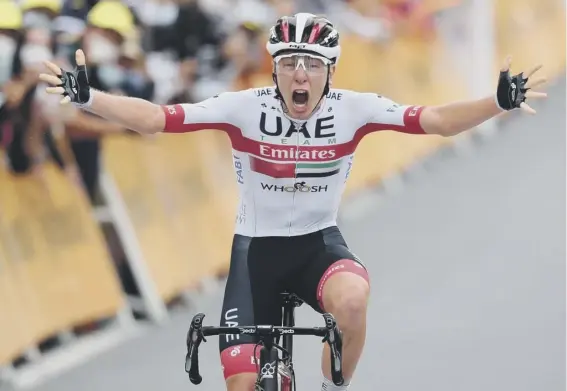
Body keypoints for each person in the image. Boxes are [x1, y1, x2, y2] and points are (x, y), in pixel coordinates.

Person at [39, 13, 547, 391]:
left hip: (316, 247)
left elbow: (434, 121)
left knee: (351, 300)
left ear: (330, 71)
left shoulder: (355, 109)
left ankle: (331, 386)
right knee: (241, 385)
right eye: (288, 64)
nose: (299, 76)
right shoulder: (244, 107)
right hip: (255, 253)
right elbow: (155, 120)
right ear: (274, 69)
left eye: (311, 65)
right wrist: (89, 97)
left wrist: (496, 102)